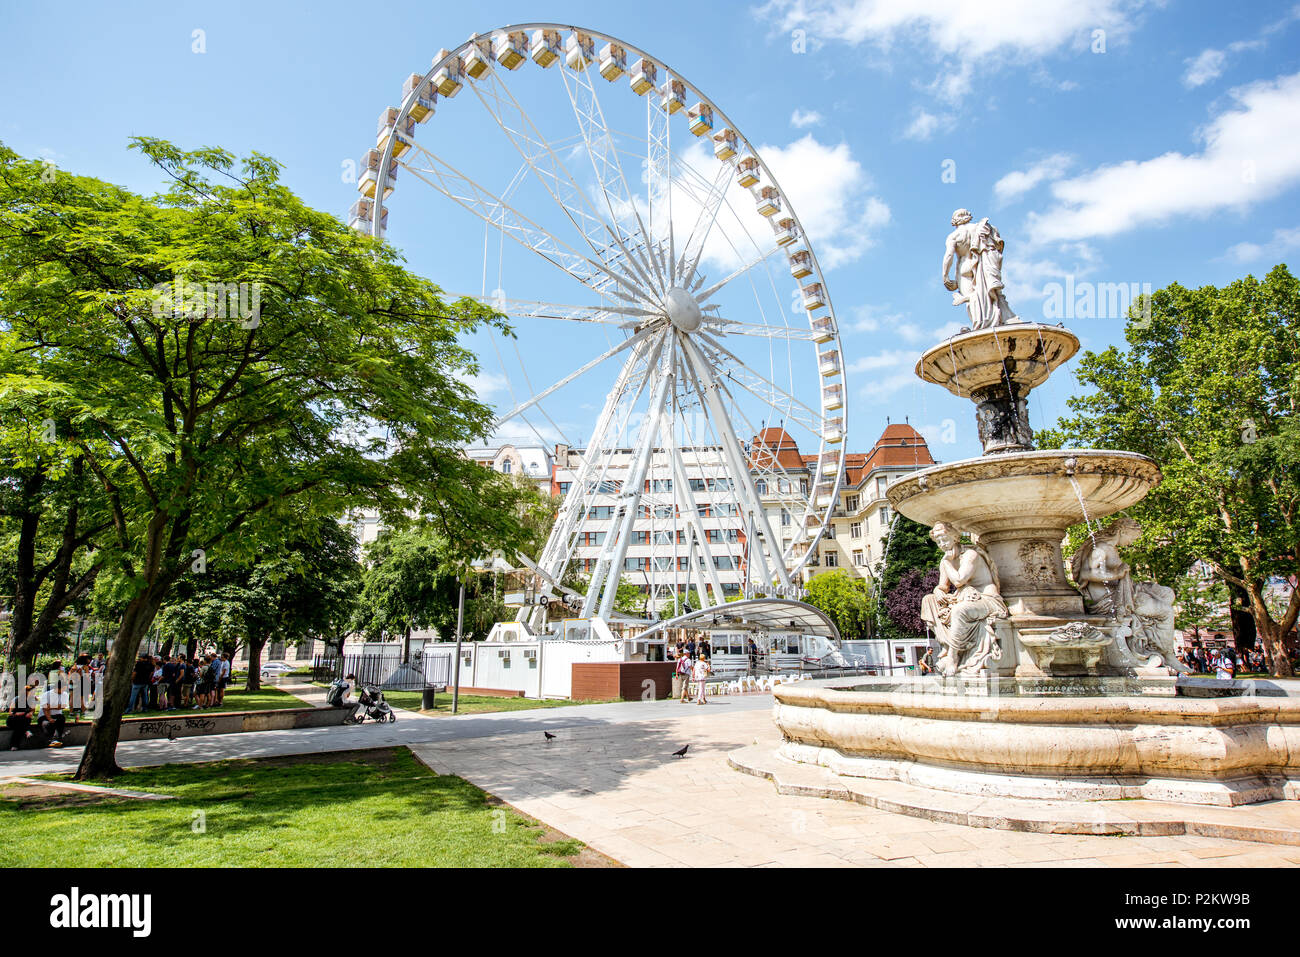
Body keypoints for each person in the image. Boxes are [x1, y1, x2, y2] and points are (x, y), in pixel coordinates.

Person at [39, 677, 69, 748]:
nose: (63, 691)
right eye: (62, 689)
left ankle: (58, 738)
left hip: (57, 715)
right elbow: (45, 708)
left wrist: (50, 706)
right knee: (47, 724)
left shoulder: (64, 694)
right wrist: (49, 718)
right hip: (44, 716)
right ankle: (50, 740)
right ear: (57, 688)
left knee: (61, 719)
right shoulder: (47, 695)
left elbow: (63, 706)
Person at [6, 683, 36, 751]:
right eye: (32, 692)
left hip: (24, 720)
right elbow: (10, 712)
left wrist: (30, 713)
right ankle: (26, 730)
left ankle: (14, 746)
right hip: (14, 719)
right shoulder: (16, 699)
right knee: (20, 722)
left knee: (19, 728)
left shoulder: (32, 700)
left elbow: (33, 710)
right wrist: (17, 714)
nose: (33, 694)